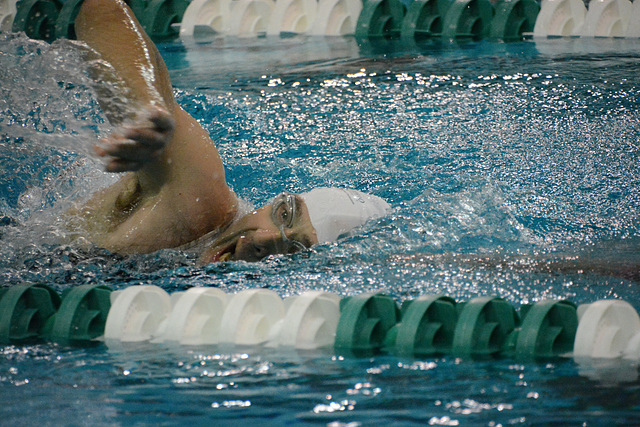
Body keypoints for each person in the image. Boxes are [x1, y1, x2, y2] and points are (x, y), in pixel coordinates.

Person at [67, 0, 390, 264]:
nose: (262, 241)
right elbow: (101, 9)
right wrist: (145, 109)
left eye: (294, 249)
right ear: (267, 203)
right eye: (283, 214)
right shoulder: (197, 204)